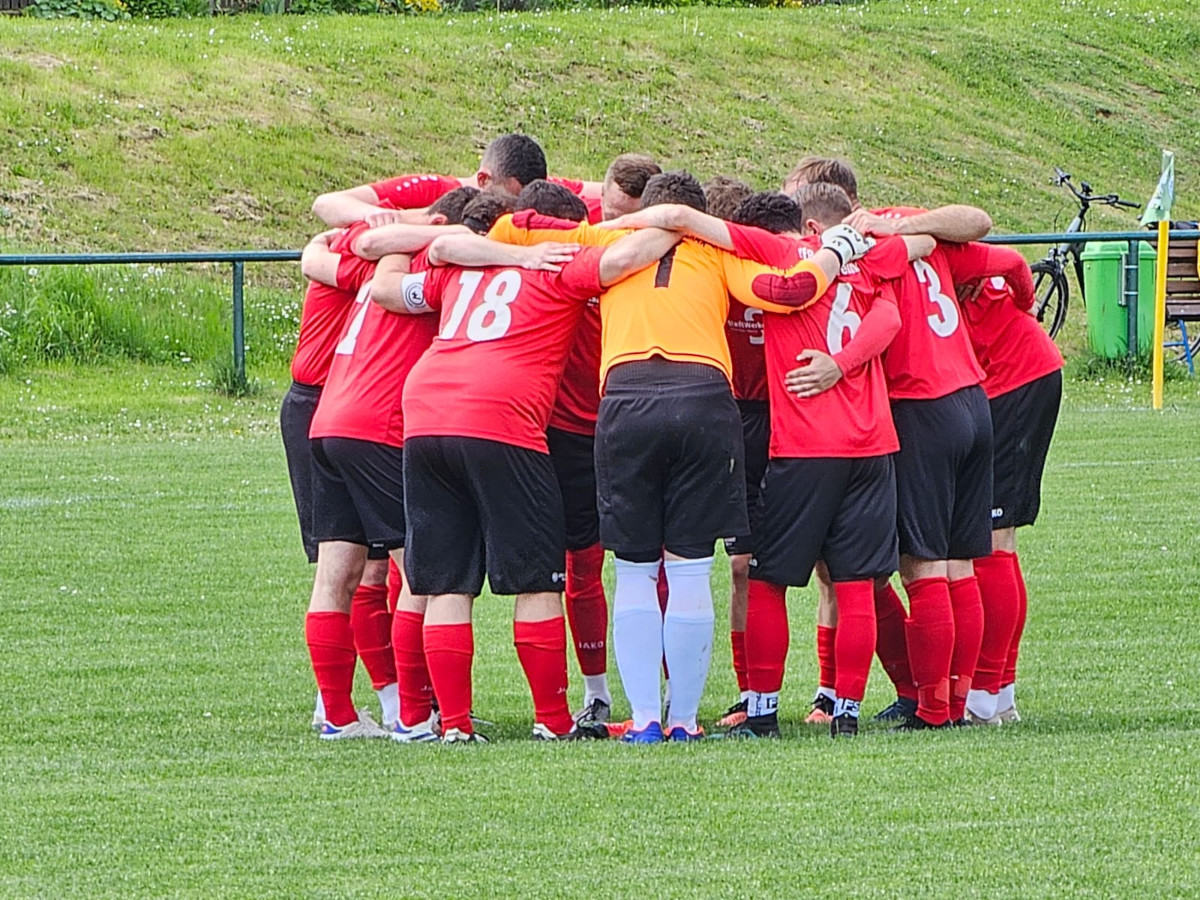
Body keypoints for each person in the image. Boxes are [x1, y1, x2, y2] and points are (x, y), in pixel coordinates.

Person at [501, 170, 872, 742]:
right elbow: (789, 290)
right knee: (691, 566)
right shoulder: (718, 248)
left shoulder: (608, 241)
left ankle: (646, 718)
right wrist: (837, 248)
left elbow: (512, 227)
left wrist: (613, 227)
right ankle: (684, 721)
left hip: (625, 399)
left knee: (634, 570)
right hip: (703, 399)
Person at [400, 182, 683, 743]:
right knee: (538, 579)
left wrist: (509, 249)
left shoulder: (472, 256)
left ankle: (452, 724)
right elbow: (629, 255)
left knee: (447, 581)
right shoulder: (560, 262)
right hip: (501, 416)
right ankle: (553, 719)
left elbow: (421, 266)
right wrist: (684, 224)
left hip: (425, 411)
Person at [784, 156, 997, 729]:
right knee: (958, 568)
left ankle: (930, 708)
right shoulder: (913, 229)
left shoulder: (859, 251)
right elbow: (984, 231)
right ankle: (957, 701)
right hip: (972, 399)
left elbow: (883, 321)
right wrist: (913, 231)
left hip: (919, 406)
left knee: (920, 569)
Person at [299, 187, 482, 739]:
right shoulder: (436, 257)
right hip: (380, 424)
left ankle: (336, 713)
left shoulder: (383, 251)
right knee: (422, 571)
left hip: (329, 418)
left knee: (337, 572)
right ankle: (413, 714)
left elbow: (339, 240)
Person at [544, 155, 663, 734]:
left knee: (658, 559)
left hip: (639, 418)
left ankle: (664, 692)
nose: (610, 221)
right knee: (581, 561)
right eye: (607, 210)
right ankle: (596, 694)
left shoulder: (675, 249)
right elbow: (516, 196)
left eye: (625, 215)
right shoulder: (578, 232)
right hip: (572, 424)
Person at [956, 273, 1063, 724]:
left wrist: (1023, 301)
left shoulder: (923, 241)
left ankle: (985, 695)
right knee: (1001, 542)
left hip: (1016, 383)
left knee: (993, 540)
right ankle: (1000, 693)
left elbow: (1008, 261)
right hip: (1023, 377)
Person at [700, 175, 762, 729]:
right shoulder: (709, 272)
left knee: (829, 563)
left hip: (790, 420)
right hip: (732, 417)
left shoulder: (773, 264)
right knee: (740, 565)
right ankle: (749, 693)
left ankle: (831, 693)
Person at [311, 133, 603, 227]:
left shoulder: (540, 190)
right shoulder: (434, 188)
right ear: (483, 179)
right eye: (510, 201)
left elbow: (609, 192)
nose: (518, 211)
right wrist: (381, 219)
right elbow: (327, 203)